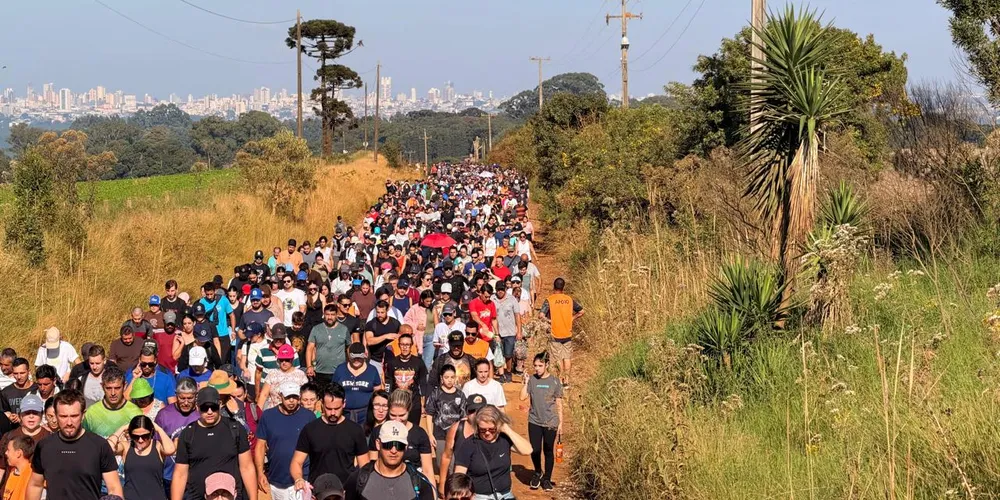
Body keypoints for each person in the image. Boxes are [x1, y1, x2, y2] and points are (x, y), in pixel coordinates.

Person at [26, 390, 122, 500]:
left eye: (74, 416)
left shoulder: (99, 445)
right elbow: (35, 485)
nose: (69, 422)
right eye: (63, 416)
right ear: (56, 416)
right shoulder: (44, 446)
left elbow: (114, 488)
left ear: (83, 415)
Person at [172, 386, 257, 500]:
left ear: (220, 404)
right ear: (197, 407)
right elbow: (180, 474)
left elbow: (247, 467)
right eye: (204, 408)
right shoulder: (188, 433)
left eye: (213, 407)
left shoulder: (235, 428)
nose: (210, 411)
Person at [290, 383, 369, 490]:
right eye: (328, 408)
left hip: (345, 491)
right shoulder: (310, 429)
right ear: (322, 403)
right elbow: (296, 462)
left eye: (337, 408)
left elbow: (364, 466)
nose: (333, 413)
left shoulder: (355, 430)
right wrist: (298, 479)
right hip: (318, 491)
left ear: (344, 404)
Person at [453, 405, 532, 500]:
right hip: (479, 496)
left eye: (492, 429)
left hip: (505, 495)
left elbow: (527, 450)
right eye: (482, 430)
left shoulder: (504, 439)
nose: (487, 433)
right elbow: (459, 476)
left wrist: (507, 430)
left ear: (498, 426)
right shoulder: (469, 444)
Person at [254, 382, 315, 500]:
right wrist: (260, 472)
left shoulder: (309, 417)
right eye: (288, 397)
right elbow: (260, 446)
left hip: (303, 478)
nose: (291, 401)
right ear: (280, 396)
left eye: (295, 397)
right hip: (277, 478)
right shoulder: (268, 416)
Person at [344, 420, 435, 500]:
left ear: (406, 447)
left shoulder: (420, 483)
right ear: (378, 444)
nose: (393, 451)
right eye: (388, 444)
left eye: (399, 445)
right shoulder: (357, 480)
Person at [365, 390, 434, 481]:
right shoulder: (378, 432)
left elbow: (428, 470)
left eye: (402, 415)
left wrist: (433, 494)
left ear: (409, 410)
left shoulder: (419, 434)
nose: (397, 420)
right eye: (393, 415)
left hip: (412, 483)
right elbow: (372, 465)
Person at [520, 352, 563, 491]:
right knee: (535, 449)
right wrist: (526, 382)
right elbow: (522, 397)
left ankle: (547, 479)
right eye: (535, 366)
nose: (537, 368)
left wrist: (561, 423)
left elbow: (559, 404)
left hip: (551, 422)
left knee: (548, 450)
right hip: (534, 420)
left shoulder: (555, 381)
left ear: (547, 365)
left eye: (540, 365)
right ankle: (538, 471)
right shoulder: (532, 380)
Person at [107, 415, 175, 500]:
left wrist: (159, 429)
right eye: (135, 436)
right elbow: (108, 448)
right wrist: (122, 428)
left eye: (145, 436)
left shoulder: (157, 446)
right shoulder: (126, 447)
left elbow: (170, 450)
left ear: (151, 433)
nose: (140, 440)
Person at [155, 377, 201, 496]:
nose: (186, 402)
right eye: (182, 398)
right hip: (168, 476)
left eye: (190, 398)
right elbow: (156, 446)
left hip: (195, 477)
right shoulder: (164, 415)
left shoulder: (201, 414)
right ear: (176, 395)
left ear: (196, 396)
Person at [436, 394, 487, 496]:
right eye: (472, 411)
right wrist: (442, 483)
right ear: (466, 412)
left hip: (482, 480)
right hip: (461, 480)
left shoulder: (490, 430)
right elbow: (446, 456)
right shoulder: (457, 428)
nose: (476, 414)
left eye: (480, 411)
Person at [539, 277, 584, 388]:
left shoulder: (550, 300)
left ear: (554, 287)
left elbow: (541, 315)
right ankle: (566, 381)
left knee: (557, 358)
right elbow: (582, 311)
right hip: (567, 333)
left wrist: (549, 321)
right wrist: (573, 318)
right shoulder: (569, 300)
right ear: (563, 287)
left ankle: (559, 380)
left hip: (555, 333)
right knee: (567, 357)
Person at [307, 301, 358, 390]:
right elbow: (310, 348)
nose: (329, 317)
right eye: (327, 314)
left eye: (332, 314)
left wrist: (352, 364)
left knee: (337, 396)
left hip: (339, 371)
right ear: (324, 315)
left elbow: (349, 347)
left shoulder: (343, 329)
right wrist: (309, 366)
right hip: (320, 371)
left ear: (336, 315)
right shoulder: (316, 329)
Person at [83, 365, 143, 439]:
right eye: (108, 388)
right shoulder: (91, 413)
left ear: (125, 386)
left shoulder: (135, 412)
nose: (113, 393)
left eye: (117, 388)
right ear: (102, 386)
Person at [424, 364, 466, 469]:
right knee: (441, 464)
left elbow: (464, 416)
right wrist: (430, 434)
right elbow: (429, 414)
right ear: (441, 378)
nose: (449, 380)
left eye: (452, 377)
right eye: (446, 377)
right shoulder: (436, 393)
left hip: (457, 435)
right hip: (440, 434)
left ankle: (451, 484)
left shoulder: (460, 395)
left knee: (455, 464)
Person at [0, 393, 49, 481]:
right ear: (20, 415)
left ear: (42, 415)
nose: (31, 416)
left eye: (35, 412)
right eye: (27, 413)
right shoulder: (8, 437)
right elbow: (1, 468)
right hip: (10, 491)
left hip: (38, 492)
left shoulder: (50, 438)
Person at [333, 343, 383, 425]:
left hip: (365, 414)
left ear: (364, 356)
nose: (356, 360)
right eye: (354, 358)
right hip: (344, 413)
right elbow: (333, 390)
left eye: (359, 358)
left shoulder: (372, 370)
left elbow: (378, 392)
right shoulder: (340, 369)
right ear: (349, 356)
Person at [382, 333, 427, 424]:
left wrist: (423, 404)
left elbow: (423, 383)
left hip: (414, 403)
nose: (405, 347)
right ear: (399, 345)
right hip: (397, 403)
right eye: (402, 344)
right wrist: (387, 399)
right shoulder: (392, 363)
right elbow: (388, 382)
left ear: (411, 346)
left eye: (407, 344)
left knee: (413, 430)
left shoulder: (418, 362)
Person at [255, 345, 307, 411]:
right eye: (281, 360)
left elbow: (305, 396)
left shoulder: (301, 375)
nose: (284, 362)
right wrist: (258, 414)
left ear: (292, 359)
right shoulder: (272, 374)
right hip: (274, 413)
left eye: (287, 360)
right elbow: (264, 395)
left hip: (295, 412)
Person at [493, 283, 522, 382]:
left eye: (502, 289)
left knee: (508, 355)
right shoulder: (492, 299)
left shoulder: (512, 299)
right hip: (496, 331)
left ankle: (508, 372)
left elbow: (517, 315)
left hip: (510, 331)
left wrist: (519, 331)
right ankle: (500, 374)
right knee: (498, 353)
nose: (500, 291)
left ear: (505, 289)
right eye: (498, 289)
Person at [363, 301, 401, 375]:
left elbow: (401, 337)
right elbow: (370, 341)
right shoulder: (371, 324)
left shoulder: (395, 323)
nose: (379, 315)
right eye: (378, 312)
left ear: (387, 311)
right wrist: (386, 336)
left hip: (393, 360)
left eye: (382, 312)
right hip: (376, 360)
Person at [2, 434, 35, 500]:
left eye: (8, 450)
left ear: (18, 453)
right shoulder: (13, 471)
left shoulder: (33, 475)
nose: (6, 453)